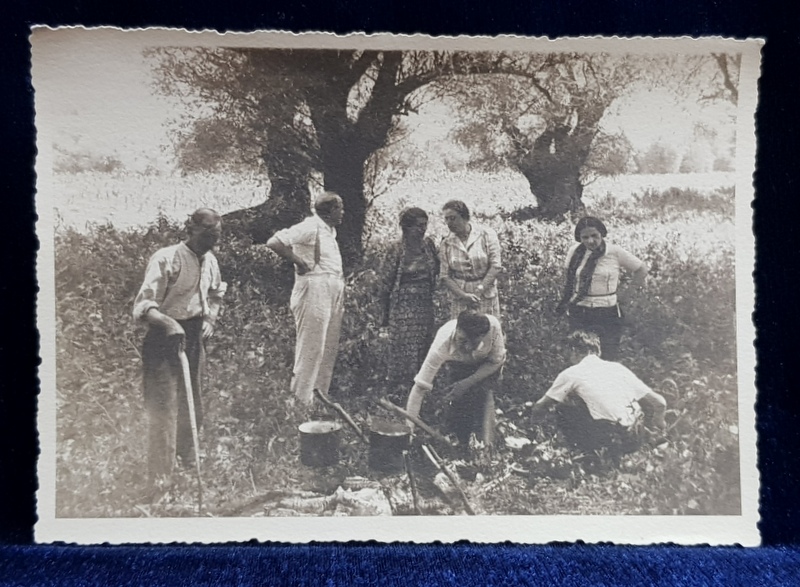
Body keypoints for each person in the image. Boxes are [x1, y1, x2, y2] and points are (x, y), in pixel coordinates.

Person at [132, 208, 227, 489]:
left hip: (194, 336)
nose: (215, 240)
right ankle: (161, 477)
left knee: (192, 401)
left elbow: (216, 293)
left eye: (218, 234)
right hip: (164, 338)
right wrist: (167, 323)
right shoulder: (166, 258)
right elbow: (143, 306)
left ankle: (188, 465)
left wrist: (210, 318)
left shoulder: (210, 260)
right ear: (194, 229)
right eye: (210, 234)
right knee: (163, 406)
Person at [528, 330, 667, 460]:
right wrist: (659, 423)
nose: (569, 359)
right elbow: (660, 403)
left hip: (610, 440)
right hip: (636, 438)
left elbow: (541, 406)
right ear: (597, 351)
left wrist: (533, 430)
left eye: (568, 354)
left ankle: (586, 453)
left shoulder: (572, 372)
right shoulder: (618, 368)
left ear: (574, 351)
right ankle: (647, 444)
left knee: (563, 409)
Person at [267, 192, 345, 405]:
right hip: (314, 287)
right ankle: (301, 400)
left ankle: (319, 398)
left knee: (328, 346)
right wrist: (298, 262)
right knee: (312, 346)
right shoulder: (310, 226)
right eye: (340, 208)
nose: (343, 213)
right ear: (329, 211)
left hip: (332, 287)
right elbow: (274, 242)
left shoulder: (329, 230)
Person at [405, 311, 506, 446]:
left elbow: (496, 361)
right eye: (462, 340)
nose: (468, 347)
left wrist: (467, 383)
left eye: (474, 343)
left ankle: (488, 447)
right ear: (457, 329)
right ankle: (461, 442)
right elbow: (419, 388)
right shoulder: (442, 344)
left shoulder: (493, 327)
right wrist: (408, 431)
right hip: (458, 363)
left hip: (487, 363)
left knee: (485, 393)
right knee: (459, 405)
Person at [555, 216, 648, 361]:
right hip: (580, 311)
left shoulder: (614, 252)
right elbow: (567, 277)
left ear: (602, 234)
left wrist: (626, 295)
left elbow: (641, 269)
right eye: (585, 237)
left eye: (594, 236)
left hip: (606, 312)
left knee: (608, 356)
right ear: (579, 238)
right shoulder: (575, 252)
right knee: (581, 357)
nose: (590, 241)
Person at [381, 207, 439, 391]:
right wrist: (384, 314)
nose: (422, 230)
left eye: (425, 225)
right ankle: (400, 387)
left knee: (424, 344)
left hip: (424, 303)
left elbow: (436, 268)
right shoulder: (396, 249)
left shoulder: (428, 245)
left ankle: (421, 386)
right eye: (418, 226)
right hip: (403, 304)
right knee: (403, 347)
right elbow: (385, 282)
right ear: (406, 227)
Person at [439, 200, 503, 320]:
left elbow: (496, 266)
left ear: (465, 217)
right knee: (462, 334)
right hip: (461, 297)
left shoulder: (486, 235)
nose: (449, 223)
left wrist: (480, 290)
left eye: (453, 218)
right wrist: (463, 295)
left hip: (485, 293)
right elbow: (444, 275)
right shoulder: (447, 243)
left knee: (488, 331)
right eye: (446, 219)